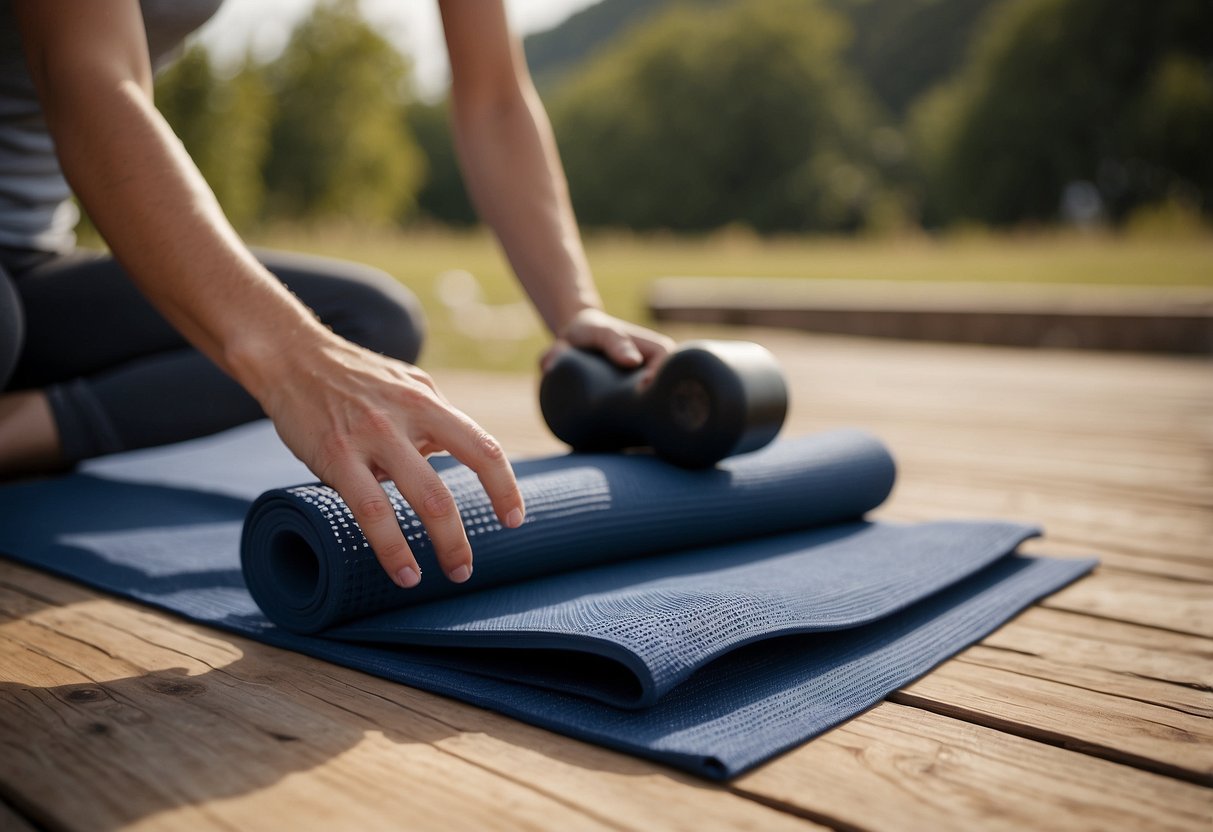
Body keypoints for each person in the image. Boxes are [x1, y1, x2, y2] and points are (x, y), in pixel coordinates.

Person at [0, 0, 673, 589]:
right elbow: (87, 80)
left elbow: (494, 95)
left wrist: (575, 310)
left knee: (369, 321)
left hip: (32, 261)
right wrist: (295, 361)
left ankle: (17, 432)